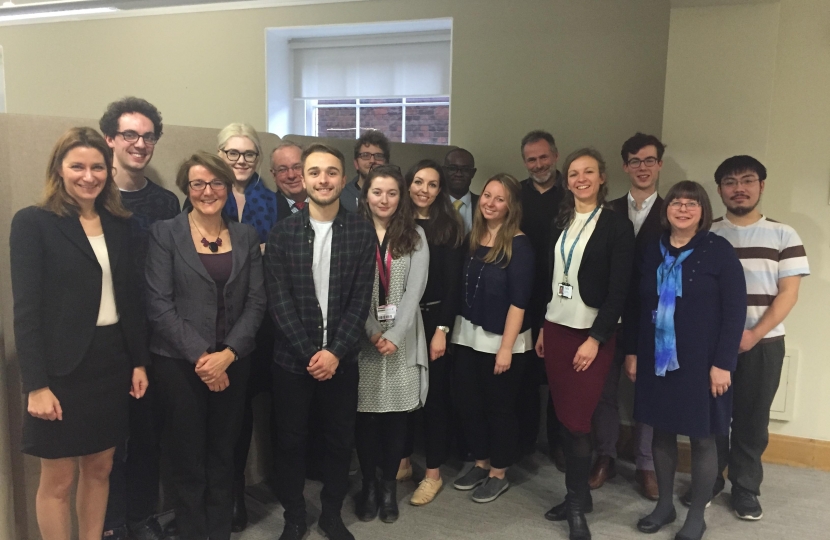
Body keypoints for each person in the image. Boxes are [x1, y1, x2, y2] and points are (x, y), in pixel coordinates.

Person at [10, 127, 150, 540]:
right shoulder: (33, 222)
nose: (88, 176)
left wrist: (138, 360)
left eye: (97, 167)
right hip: (61, 370)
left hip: (111, 362)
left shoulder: (118, 223)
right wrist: (35, 385)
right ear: (59, 169)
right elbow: (26, 310)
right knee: (58, 480)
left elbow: (130, 299)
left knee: (101, 468)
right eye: (77, 166)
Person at [145, 152, 266, 540]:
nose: (208, 191)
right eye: (198, 183)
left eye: (216, 183)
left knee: (224, 452)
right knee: (187, 457)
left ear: (228, 188)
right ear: (187, 188)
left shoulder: (245, 236)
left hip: (234, 360)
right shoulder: (165, 233)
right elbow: (158, 304)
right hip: (181, 365)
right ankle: (193, 531)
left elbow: (257, 301)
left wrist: (228, 354)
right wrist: (203, 358)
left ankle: (219, 532)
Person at [265, 144, 376, 540]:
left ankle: (331, 514)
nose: (322, 180)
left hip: (342, 361)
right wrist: (312, 354)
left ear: (343, 180)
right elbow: (278, 301)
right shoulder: (283, 234)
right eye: (314, 172)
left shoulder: (362, 232)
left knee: (338, 441)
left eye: (331, 172)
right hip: (292, 362)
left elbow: (361, 300)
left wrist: (333, 353)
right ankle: (294, 515)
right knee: (290, 441)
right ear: (303, 179)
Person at [626, 181, 746, 540]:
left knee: (703, 437)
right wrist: (632, 351)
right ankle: (664, 505)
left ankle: (696, 514)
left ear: (702, 211)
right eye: (676, 202)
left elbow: (735, 312)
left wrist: (723, 363)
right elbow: (635, 304)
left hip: (702, 362)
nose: (682, 208)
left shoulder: (718, 251)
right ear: (667, 210)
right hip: (656, 357)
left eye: (691, 204)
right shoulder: (651, 249)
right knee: (660, 431)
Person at [535, 148, 635, 540]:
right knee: (563, 416)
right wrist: (544, 326)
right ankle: (578, 495)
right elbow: (551, 280)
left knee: (577, 424)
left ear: (602, 177)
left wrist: (596, 338)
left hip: (590, 335)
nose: (580, 178)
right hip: (557, 330)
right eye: (574, 173)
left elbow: (619, 291)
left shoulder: (616, 226)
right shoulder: (560, 221)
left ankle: (577, 507)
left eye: (588, 172)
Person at [709, 156, 809, 520]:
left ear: (761, 186)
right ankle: (710, 481)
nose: (739, 188)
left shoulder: (784, 234)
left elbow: (788, 294)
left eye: (747, 180)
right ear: (720, 189)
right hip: (712, 346)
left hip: (763, 345)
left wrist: (754, 334)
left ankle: (746, 488)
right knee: (712, 417)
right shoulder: (708, 233)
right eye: (730, 182)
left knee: (752, 420)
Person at [99, 97, 180, 540]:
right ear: (110, 138)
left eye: (148, 136)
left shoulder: (166, 202)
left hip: (153, 337)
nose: (140, 143)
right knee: (111, 442)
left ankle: (142, 517)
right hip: (107, 337)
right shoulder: (93, 194)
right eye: (130, 134)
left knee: (148, 436)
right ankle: (111, 525)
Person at [211, 123, 284, 532]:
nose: (240, 161)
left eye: (249, 154)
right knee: (227, 414)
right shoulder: (201, 195)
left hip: (263, 320)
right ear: (219, 155)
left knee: (254, 407)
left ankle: (255, 489)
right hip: (215, 322)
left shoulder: (272, 202)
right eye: (232, 153)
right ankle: (228, 491)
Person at [450, 173, 535, 504]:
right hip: (469, 336)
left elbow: (519, 301)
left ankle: (498, 472)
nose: (490, 203)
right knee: (469, 404)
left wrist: (505, 349)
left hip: (503, 342)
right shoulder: (475, 236)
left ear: (511, 205)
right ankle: (481, 461)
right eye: (487, 195)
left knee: (499, 408)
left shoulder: (520, 245)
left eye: (499, 199)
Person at [590, 133, 665, 500]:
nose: (642, 167)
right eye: (635, 161)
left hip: (653, 321)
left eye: (649, 160)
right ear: (624, 166)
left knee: (646, 393)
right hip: (610, 318)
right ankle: (605, 455)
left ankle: (646, 462)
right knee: (604, 391)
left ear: (659, 165)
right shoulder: (607, 211)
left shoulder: (675, 212)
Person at [353, 165, 430, 523]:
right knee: (366, 420)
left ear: (401, 197)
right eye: (377, 192)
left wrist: (395, 336)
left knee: (397, 421)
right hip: (363, 341)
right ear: (365, 195)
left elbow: (414, 293)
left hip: (403, 341)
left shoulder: (414, 235)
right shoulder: (353, 234)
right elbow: (349, 291)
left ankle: (388, 489)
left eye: (392, 193)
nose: (384, 199)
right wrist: (371, 330)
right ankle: (368, 484)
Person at [399, 159, 465, 506]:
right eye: (419, 182)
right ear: (408, 184)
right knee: (404, 396)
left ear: (440, 191)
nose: (424, 190)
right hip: (402, 322)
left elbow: (454, 287)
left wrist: (442, 330)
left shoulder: (448, 228)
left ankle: (433, 474)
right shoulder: (397, 222)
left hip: (434, 321)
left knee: (434, 399)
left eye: (432, 184)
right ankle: (404, 460)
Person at [516, 130, 566, 466]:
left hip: (564, 300)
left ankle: (560, 446)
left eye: (543, 157)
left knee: (560, 376)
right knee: (525, 376)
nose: (538, 165)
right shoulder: (515, 195)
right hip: (523, 298)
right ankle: (524, 443)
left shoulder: (572, 194)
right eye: (531, 159)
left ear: (555, 156)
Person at [340, 130, 390, 212]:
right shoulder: (342, 196)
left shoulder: (395, 197)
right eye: (365, 155)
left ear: (386, 163)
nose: (372, 160)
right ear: (356, 164)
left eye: (378, 156)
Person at [442, 147, 479, 233]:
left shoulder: (484, 205)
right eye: (452, 168)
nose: (458, 174)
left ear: (473, 173)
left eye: (465, 169)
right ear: (444, 170)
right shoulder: (433, 204)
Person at [270, 141, 308, 213]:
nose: (291, 175)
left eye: (297, 167)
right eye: (283, 170)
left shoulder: (328, 201)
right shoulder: (268, 209)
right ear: (274, 175)